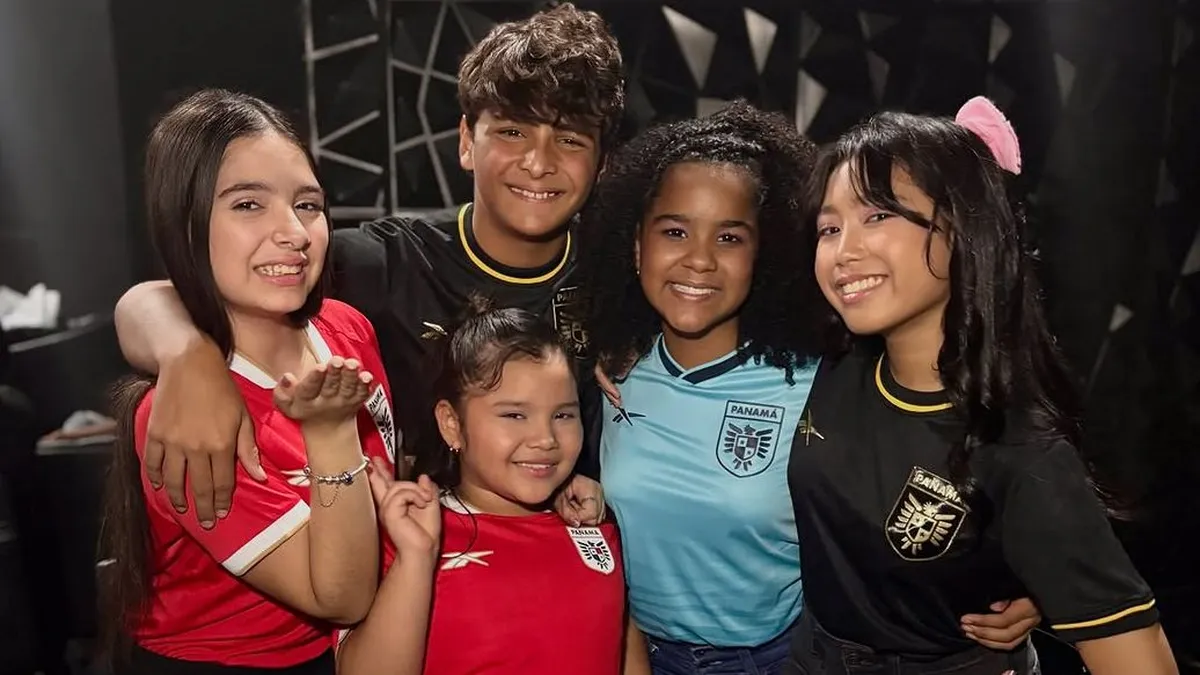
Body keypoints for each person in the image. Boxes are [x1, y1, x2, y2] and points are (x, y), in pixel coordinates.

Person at [111, 2, 624, 526]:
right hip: (405, 555)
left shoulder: (622, 279)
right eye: (513, 132)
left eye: (569, 140)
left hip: (572, 549)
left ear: (602, 164)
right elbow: (151, 299)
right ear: (467, 142)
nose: (538, 163)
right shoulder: (387, 262)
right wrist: (187, 357)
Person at [585, 102, 1043, 675]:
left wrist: (1020, 576)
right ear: (636, 245)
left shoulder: (823, 380)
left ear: (765, 252)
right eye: (675, 231)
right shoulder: (606, 371)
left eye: (729, 237)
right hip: (629, 651)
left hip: (780, 660)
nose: (698, 259)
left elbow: (948, 466)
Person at [785, 97, 1178, 674]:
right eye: (830, 227)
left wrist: (1041, 580)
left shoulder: (1020, 449)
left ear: (964, 227)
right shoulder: (832, 362)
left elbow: (1140, 659)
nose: (844, 251)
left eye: (878, 216)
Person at [97, 89, 397, 674]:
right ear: (186, 224)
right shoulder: (186, 412)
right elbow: (340, 595)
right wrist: (331, 433)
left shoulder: (346, 327)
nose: (294, 232)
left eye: (308, 204)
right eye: (248, 204)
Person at [336, 301, 645, 675]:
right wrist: (415, 558)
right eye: (514, 415)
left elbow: (622, 645)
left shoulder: (593, 521)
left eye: (563, 414)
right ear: (452, 424)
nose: (545, 438)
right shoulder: (407, 536)